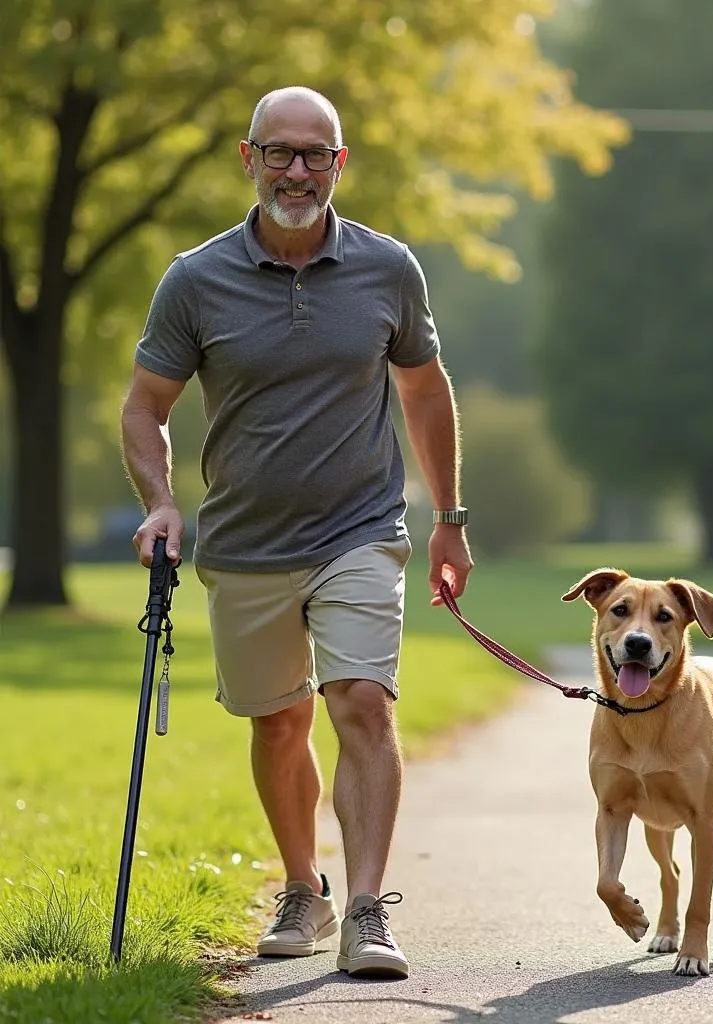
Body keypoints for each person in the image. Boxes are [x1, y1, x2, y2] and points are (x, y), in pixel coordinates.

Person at [120, 85, 473, 980]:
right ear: (250, 160)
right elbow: (145, 408)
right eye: (280, 151)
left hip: (360, 527)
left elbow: (425, 392)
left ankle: (364, 910)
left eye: (316, 153)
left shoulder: (388, 268)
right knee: (279, 723)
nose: (298, 169)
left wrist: (448, 519)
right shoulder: (195, 279)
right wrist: (161, 499)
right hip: (243, 543)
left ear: (340, 165)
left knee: (360, 701)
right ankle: (300, 889)